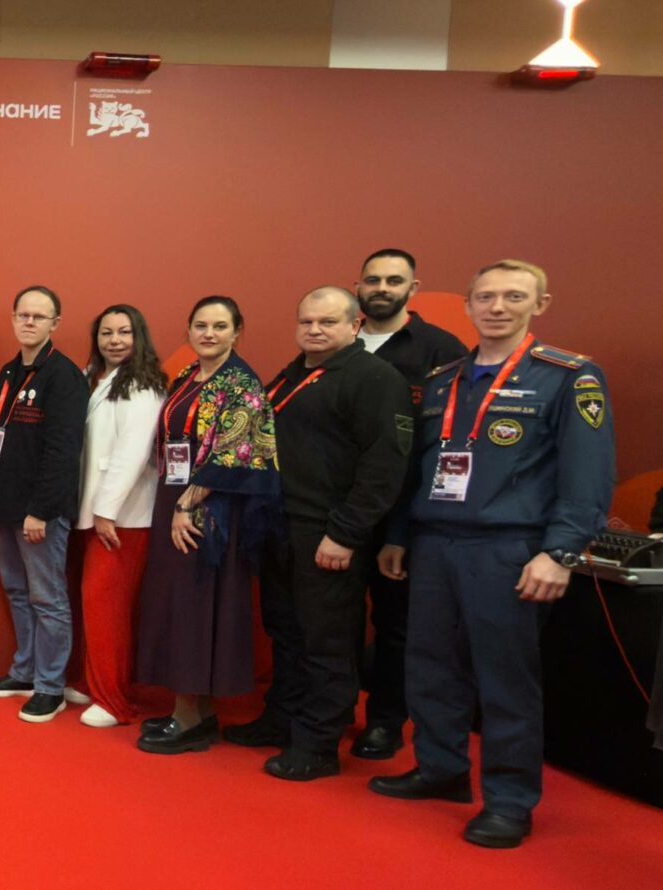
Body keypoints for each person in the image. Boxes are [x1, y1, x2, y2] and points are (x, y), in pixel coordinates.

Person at [372, 260, 614, 848]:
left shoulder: (568, 376)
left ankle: (508, 801)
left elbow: (588, 477)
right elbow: (420, 468)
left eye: (513, 297)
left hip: (508, 548)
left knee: (505, 679)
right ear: (469, 305)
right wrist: (399, 534)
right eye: (486, 297)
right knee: (429, 666)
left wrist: (560, 552)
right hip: (435, 542)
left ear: (540, 304)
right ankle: (441, 767)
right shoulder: (444, 379)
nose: (497, 307)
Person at [226, 287, 409, 781]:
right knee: (285, 631)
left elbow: (384, 465)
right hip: (279, 526)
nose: (314, 330)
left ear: (355, 325)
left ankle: (319, 743)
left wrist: (346, 533)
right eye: (307, 321)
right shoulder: (292, 375)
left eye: (327, 322)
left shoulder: (374, 378)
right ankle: (283, 718)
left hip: (327, 532)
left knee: (326, 640)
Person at [134, 296, 280, 754]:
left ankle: (187, 718)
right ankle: (198, 711)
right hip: (175, 498)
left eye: (219, 326)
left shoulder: (241, 383)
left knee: (195, 605)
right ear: (189, 330)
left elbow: (233, 456)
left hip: (208, 510)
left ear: (237, 331)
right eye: (201, 325)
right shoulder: (188, 376)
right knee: (179, 603)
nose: (209, 334)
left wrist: (186, 506)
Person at [349, 248, 468, 759]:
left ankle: (385, 721)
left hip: (401, 513)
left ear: (412, 289)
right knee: (335, 620)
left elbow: (447, 440)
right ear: (357, 286)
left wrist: (403, 527)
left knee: (395, 625)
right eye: (373, 279)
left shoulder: (441, 349)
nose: (382, 288)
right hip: (338, 508)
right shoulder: (339, 340)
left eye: (393, 280)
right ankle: (329, 711)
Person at [0, 286, 87, 723]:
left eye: (39, 317)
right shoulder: (8, 373)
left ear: (55, 323)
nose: (29, 322)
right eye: (23, 315)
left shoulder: (63, 376)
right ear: (13, 319)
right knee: (18, 592)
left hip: (40, 511)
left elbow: (63, 451)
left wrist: (41, 509)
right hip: (5, 505)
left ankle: (50, 686)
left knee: (47, 597)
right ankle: (23, 672)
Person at [70, 304, 167, 728]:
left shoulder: (143, 388)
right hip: (95, 513)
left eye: (124, 332)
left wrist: (106, 511)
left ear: (138, 336)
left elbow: (132, 454)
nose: (114, 340)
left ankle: (113, 701)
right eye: (106, 332)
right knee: (94, 606)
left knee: (107, 609)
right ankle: (94, 683)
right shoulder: (97, 379)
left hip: (122, 519)